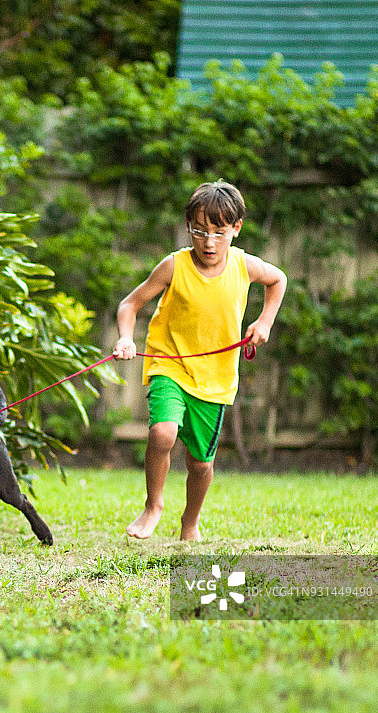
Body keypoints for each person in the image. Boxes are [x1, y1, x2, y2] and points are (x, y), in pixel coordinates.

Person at [113, 180, 287, 541]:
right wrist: (126, 338)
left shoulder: (244, 266)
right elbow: (129, 304)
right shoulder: (174, 266)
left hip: (216, 379)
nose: (209, 242)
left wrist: (264, 322)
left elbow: (278, 280)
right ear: (188, 226)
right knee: (163, 432)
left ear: (236, 229)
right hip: (169, 366)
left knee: (200, 463)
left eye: (219, 233)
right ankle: (153, 505)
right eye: (200, 231)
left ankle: (189, 522)